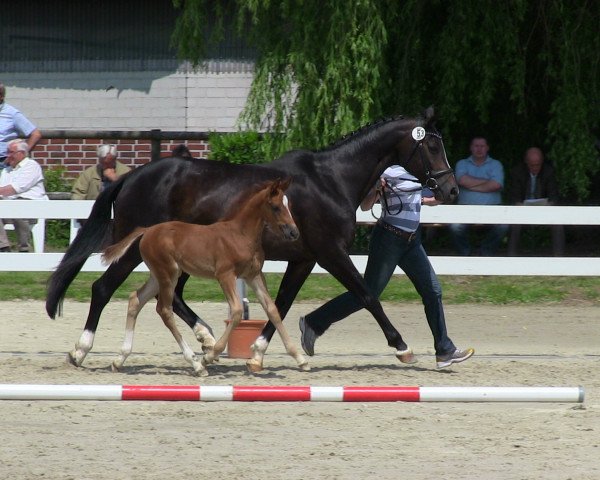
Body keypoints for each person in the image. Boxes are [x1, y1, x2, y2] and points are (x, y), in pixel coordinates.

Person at [299, 165, 474, 369]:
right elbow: (365, 206)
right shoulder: (386, 170)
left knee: (433, 290)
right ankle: (313, 323)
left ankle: (444, 350)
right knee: (368, 294)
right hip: (389, 239)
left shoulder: (418, 169)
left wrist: (429, 198)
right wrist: (375, 189)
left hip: (412, 240)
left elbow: (426, 197)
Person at [448, 136, 508, 256]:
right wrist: (487, 182)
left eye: (482, 146)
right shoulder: (462, 163)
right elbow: (461, 180)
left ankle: (486, 251)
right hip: (465, 209)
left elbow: (496, 185)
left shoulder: (496, 164)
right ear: (471, 148)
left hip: (492, 209)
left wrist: (471, 185)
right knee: (454, 227)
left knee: (503, 226)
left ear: (487, 148)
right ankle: (465, 253)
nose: (479, 149)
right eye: (476, 146)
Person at [508, 147, 565, 256]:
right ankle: (511, 257)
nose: (535, 168)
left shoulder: (549, 171)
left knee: (558, 223)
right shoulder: (517, 172)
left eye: (538, 164)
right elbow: (514, 198)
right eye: (532, 165)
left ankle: (559, 257)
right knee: (514, 223)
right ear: (526, 162)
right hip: (522, 211)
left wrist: (547, 205)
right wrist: (521, 206)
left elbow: (554, 197)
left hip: (545, 210)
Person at [0, 139, 48, 252]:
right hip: (8, 207)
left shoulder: (31, 166)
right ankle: (3, 246)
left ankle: (24, 247)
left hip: (33, 208)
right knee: (12, 206)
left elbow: (16, 189)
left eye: (11, 152)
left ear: (21, 153)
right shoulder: (7, 170)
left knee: (19, 205)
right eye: (8, 152)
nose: (8, 155)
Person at [0, 82, 43, 170]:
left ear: (1, 97)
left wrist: (22, 154)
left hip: (3, 162)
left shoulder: (11, 113)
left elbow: (35, 134)